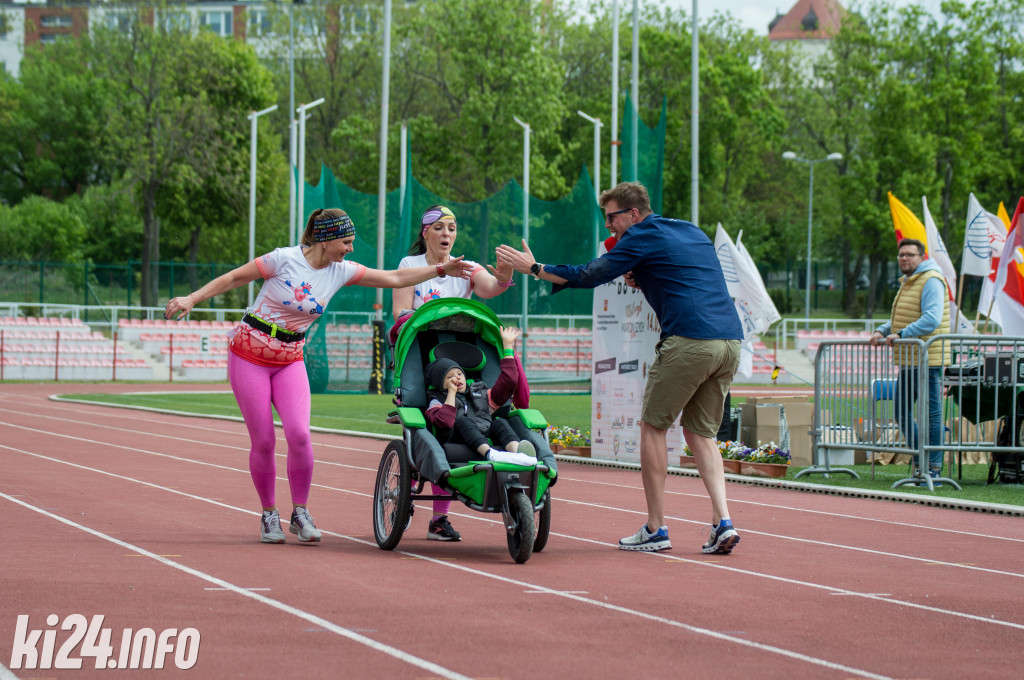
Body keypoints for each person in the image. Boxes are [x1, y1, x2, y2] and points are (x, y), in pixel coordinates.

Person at [164, 208, 473, 544]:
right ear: (325, 240)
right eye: (346, 242)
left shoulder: (342, 271)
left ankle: (300, 512)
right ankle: (269, 514)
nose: (351, 249)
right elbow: (235, 278)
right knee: (265, 440)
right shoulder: (283, 260)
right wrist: (191, 298)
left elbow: (394, 279)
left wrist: (443, 269)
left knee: (299, 435)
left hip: (290, 359)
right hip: (248, 356)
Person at [496, 181, 744, 555]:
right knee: (700, 434)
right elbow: (685, 280)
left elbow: (587, 275)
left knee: (653, 428)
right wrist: (643, 277)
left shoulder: (641, 236)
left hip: (689, 341)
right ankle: (723, 522)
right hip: (729, 342)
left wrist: (534, 267)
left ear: (633, 213)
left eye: (611, 218)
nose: (608, 226)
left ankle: (656, 529)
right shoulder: (689, 230)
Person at [392, 204, 526, 541]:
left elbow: (491, 287)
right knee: (436, 425)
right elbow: (400, 314)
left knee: (474, 414)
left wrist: (506, 276)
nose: (446, 235)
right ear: (425, 233)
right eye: (439, 228)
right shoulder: (410, 266)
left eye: (451, 229)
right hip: (424, 356)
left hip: (464, 358)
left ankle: (439, 520)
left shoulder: (466, 268)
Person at [423, 325, 538, 539]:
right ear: (441, 383)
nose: (457, 378)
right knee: (464, 422)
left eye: (459, 373)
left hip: (486, 431)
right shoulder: (436, 401)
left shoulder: (481, 393)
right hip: (456, 440)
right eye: (450, 377)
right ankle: (491, 454)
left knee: (500, 423)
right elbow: (446, 422)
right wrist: (450, 394)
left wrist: (507, 347)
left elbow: (508, 383)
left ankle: (517, 453)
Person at [869, 238, 950, 482]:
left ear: (921, 257)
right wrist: (881, 330)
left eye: (910, 255)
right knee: (902, 411)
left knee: (932, 414)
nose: (904, 258)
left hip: (927, 358)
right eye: (901, 254)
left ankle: (933, 466)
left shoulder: (931, 280)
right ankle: (920, 457)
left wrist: (903, 334)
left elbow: (932, 318)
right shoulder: (909, 282)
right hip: (909, 358)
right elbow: (901, 318)